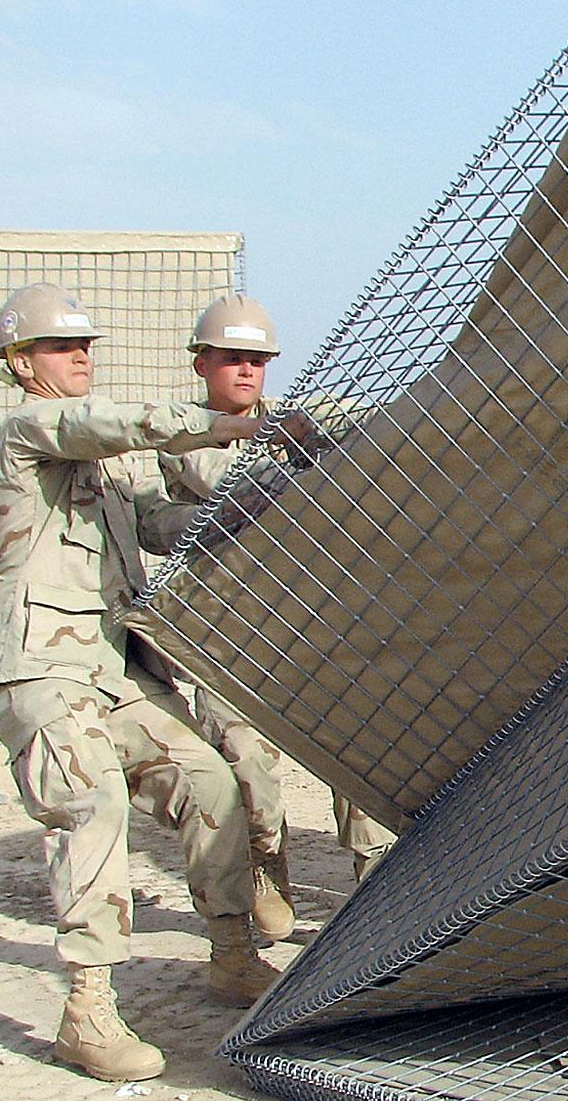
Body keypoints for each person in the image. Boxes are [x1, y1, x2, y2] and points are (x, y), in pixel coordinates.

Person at [0, 283, 287, 1083]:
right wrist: (219, 425)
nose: (80, 356)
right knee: (93, 802)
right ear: (21, 363)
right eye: (59, 346)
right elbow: (101, 423)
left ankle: (231, 957)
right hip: (40, 667)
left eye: (85, 345)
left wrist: (256, 505)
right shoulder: (32, 430)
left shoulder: (110, 465)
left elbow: (160, 525)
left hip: (112, 667)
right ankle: (86, 1012)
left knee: (211, 782)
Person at [158, 295, 397, 903]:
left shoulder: (290, 421)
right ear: (201, 365)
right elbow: (229, 488)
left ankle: (380, 887)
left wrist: (317, 428)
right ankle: (267, 865)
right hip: (228, 631)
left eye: (257, 361)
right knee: (247, 771)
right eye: (232, 359)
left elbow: (371, 426)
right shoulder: (180, 437)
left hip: (308, 622)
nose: (246, 371)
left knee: (363, 752)